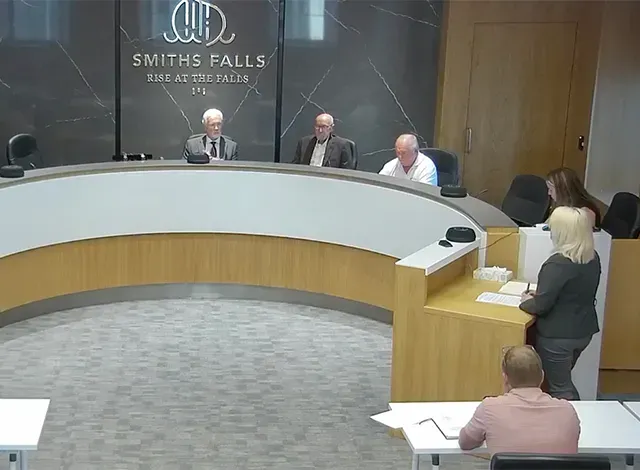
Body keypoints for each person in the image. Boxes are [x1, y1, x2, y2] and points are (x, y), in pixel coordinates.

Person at [519, 207, 601, 400]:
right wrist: (541, 296)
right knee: (562, 381)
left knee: (560, 388)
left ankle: (575, 417)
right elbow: (573, 292)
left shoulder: (557, 264)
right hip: (583, 331)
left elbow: (541, 306)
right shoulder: (591, 257)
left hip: (558, 336)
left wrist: (525, 302)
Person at [458, 345, 580, 455]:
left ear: (505, 378)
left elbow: (465, 442)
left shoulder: (489, 408)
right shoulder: (568, 411)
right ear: (542, 376)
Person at [292, 113, 356, 169]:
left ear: (331, 128)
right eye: (317, 127)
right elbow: (295, 166)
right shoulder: (304, 143)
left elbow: (346, 172)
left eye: (323, 127)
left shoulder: (341, 146)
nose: (320, 131)